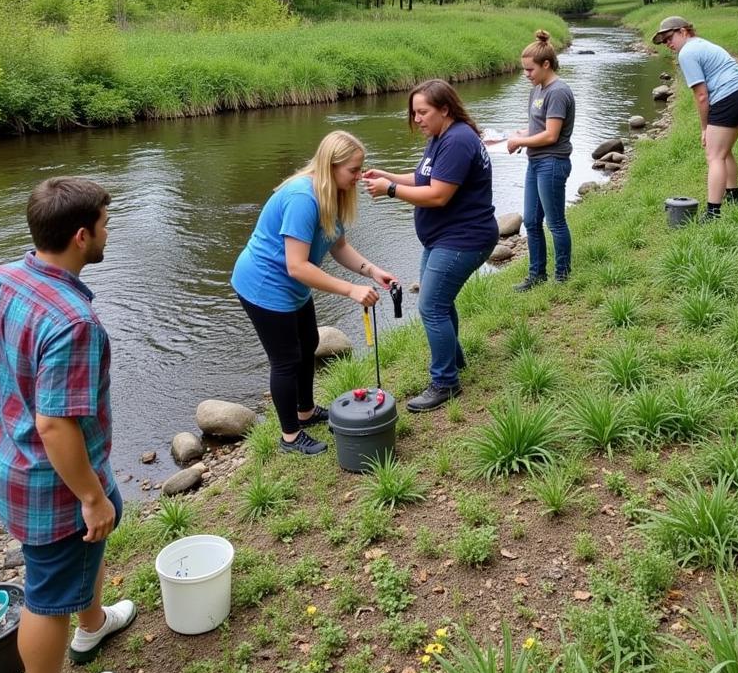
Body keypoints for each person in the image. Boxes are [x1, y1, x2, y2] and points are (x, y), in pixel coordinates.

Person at [0, 177, 135, 673]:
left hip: (0, 459)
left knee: (108, 516)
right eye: (103, 223)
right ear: (80, 236)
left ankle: (92, 625)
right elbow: (54, 425)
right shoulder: (75, 322)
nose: (107, 231)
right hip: (47, 479)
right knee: (47, 593)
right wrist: (89, 496)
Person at [232, 131, 395, 454]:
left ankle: (305, 412)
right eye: (353, 170)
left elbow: (339, 246)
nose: (359, 177)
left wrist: (372, 271)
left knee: (309, 343)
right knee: (286, 359)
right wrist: (351, 290)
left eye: (361, 168)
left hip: (292, 285)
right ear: (330, 166)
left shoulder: (334, 193)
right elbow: (297, 266)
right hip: (264, 284)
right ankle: (289, 437)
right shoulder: (303, 198)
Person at [363, 79, 498, 412]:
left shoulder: (458, 141)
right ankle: (455, 363)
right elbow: (424, 177)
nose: (417, 119)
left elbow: (438, 195)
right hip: (445, 239)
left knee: (431, 307)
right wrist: (391, 177)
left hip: (464, 239)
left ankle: (445, 383)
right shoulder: (443, 136)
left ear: (444, 109)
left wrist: (389, 191)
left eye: (422, 112)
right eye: (413, 113)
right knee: (439, 300)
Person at [652, 16, 738, 219]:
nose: (668, 44)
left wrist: (704, 128)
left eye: (669, 37)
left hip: (729, 96)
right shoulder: (701, 44)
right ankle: (733, 199)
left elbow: (701, 96)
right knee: (724, 151)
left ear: (683, 31)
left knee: (714, 155)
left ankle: (713, 213)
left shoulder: (687, 53)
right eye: (664, 41)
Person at [507, 30, 577, 287]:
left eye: (529, 70)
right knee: (531, 220)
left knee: (555, 222)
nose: (526, 74)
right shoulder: (537, 89)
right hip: (535, 162)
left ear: (546, 64)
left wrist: (519, 142)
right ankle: (536, 275)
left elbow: (550, 135)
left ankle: (562, 276)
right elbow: (537, 127)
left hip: (552, 163)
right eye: (524, 70)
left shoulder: (558, 91)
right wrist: (515, 135)